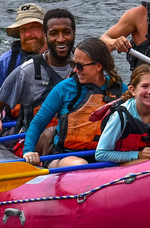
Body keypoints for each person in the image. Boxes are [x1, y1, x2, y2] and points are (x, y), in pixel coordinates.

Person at [0, 9, 76, 152]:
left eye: (66, 32)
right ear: (46, 35)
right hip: (34, 141)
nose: (61, 38)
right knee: (52, 133)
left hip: (74, 137)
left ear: (74, 33)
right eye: (54, 33)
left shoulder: (86, 65)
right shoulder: (24, 70)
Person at [22, 38, 125, 168]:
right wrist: (28, 151)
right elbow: (38, 123)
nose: (75, 70)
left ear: (98, 66)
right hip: (64, 156)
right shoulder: (64, 88)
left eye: (80, 66)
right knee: (80, 164)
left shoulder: (119, 89)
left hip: (105, 156)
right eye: (73, 64)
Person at [95, 65, 150, 166]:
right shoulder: (120, 117)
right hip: (122, 164)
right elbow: (101, 154)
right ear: (133, 90)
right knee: (146, 163)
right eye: (145, 86)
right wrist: (138, 155)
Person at [0, 3, 47, 107]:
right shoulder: (4, 63)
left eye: (33, 27)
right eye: (23, 29)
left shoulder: (62, 57)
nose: (28, 34)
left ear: (45, 30)